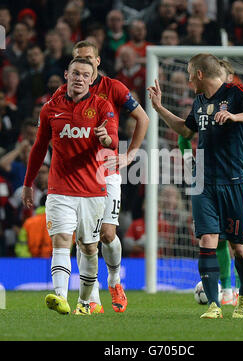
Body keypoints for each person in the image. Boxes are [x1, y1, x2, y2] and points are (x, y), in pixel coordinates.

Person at [148, 53, 243, 319]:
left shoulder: (236, 91)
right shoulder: (200, 101)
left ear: (200, 74)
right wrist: (159, 108)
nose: (190, 80)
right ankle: (214, 306)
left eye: (191, 75)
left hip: (235, 181)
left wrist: (236, 118)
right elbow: (186, 131)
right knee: (207, 240)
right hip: (203, 180)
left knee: (239, 246)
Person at [51, 40, 149, 313]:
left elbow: (143, 118)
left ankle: (115, 279)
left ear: (97, 62)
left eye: (88, 59)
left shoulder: (113, 88)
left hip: (107, 172)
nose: (84, 64)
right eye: (78, 59)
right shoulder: (65, 92)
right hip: (77, 178)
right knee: (85, 239)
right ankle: (92, 299)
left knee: (107, 234)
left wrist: (129, 154)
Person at [177, 58, 243, 305]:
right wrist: (189, 164)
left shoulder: (238, 99)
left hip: (236, 175)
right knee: (214, 238)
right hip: (208, 178)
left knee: (236, 242)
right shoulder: (203, 102)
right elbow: (184, 137)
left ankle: (237, 290)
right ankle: (226, 291)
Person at [22, 57, 119, 316]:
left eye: (85, 75)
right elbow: (39, 148)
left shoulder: (101, 105)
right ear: (66, 74)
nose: (79, 78)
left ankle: (85, 302)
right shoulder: (50, 109)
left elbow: (114, 140)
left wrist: (106, 138)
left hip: (93, 190)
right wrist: (28, 183)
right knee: (62, 241)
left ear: (91, 79)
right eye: (75, 73)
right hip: (59, 188)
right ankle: (61, 296)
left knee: (88, 247)